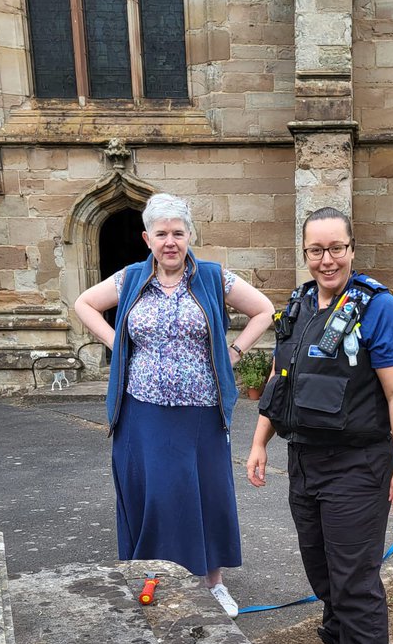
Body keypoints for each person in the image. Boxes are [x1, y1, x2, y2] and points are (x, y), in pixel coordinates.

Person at [246, 207, 393, 644]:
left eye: (336, 248)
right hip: (305, 460)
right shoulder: (297, 306)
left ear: (351, 247)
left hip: (359, 464)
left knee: (354, 581)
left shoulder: (378, 308)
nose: (327, 259)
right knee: (323, 574)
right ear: (305, 253)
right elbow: (281, 379)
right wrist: (259, 442)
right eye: (316, 250)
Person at [73, 193, 274, 617]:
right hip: (141, 410)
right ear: (147, 238)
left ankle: (213, 582)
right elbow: (84, 304)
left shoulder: (214, 278)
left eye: (178, 233)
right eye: (161, 233)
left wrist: (232, 352)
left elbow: (265, 311)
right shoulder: (129, 279)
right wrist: (117, 346)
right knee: (154, 494)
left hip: (200, 409)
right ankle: (152, 575)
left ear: (189, 236)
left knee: (206, 492)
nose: (170, 241)